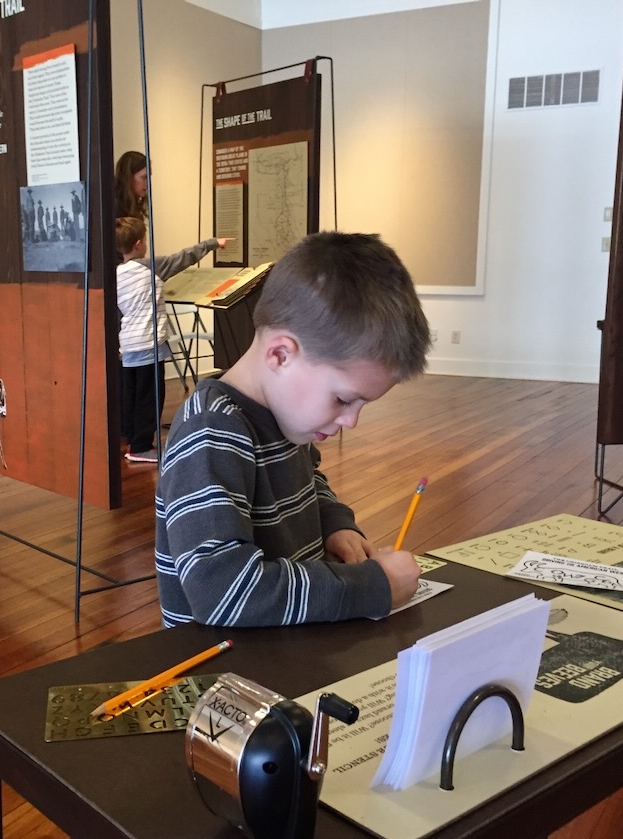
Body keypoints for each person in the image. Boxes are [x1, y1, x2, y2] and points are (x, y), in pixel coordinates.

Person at [155, 231, 432, 628]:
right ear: (281, 355)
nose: (350, 421)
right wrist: (371, 585)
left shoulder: (287, 416)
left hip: (283, 646)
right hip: (226, 674)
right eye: (342, 399)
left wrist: (333, 522)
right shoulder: (212, 430)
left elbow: (306, 481)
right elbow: (221, 591)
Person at [115, 216, 228, 463]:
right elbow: (185, 257)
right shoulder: (151, 267)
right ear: (138, 244)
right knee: (150, 398)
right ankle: (141, 447)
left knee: (130, 397)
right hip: (148, 345)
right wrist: (212, 243)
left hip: (127, 347)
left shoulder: (116, 275)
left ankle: (131, 439)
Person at [114, 151, 148, 221]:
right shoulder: (115, 208)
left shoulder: (132, 206)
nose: (148, 183)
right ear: (129, 177)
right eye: (144, 177)